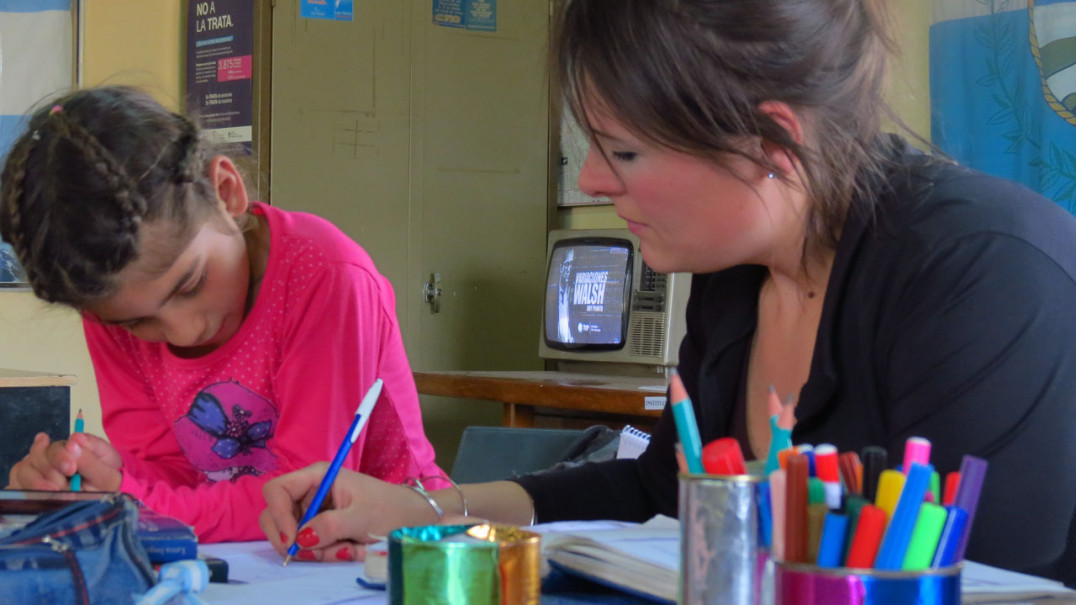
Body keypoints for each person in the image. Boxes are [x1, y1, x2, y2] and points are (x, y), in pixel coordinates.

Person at [258, 0, 1076, 582]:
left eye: (623, 152)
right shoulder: (733, 275)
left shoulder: (981, 273)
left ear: (770, 142)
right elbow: (657, 490)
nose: (588, 179)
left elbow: (990, 575)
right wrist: (422, 507)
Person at [0, 86, 449, 545]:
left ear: (226, 192)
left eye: (190, 284)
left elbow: (306, 497)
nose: (185, 330)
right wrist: (103, 480)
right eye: (137, 324)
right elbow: (172, 474)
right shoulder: (109, 309)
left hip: (402, 550)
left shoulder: (326, 275)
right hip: (249, 559)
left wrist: (129, 502)